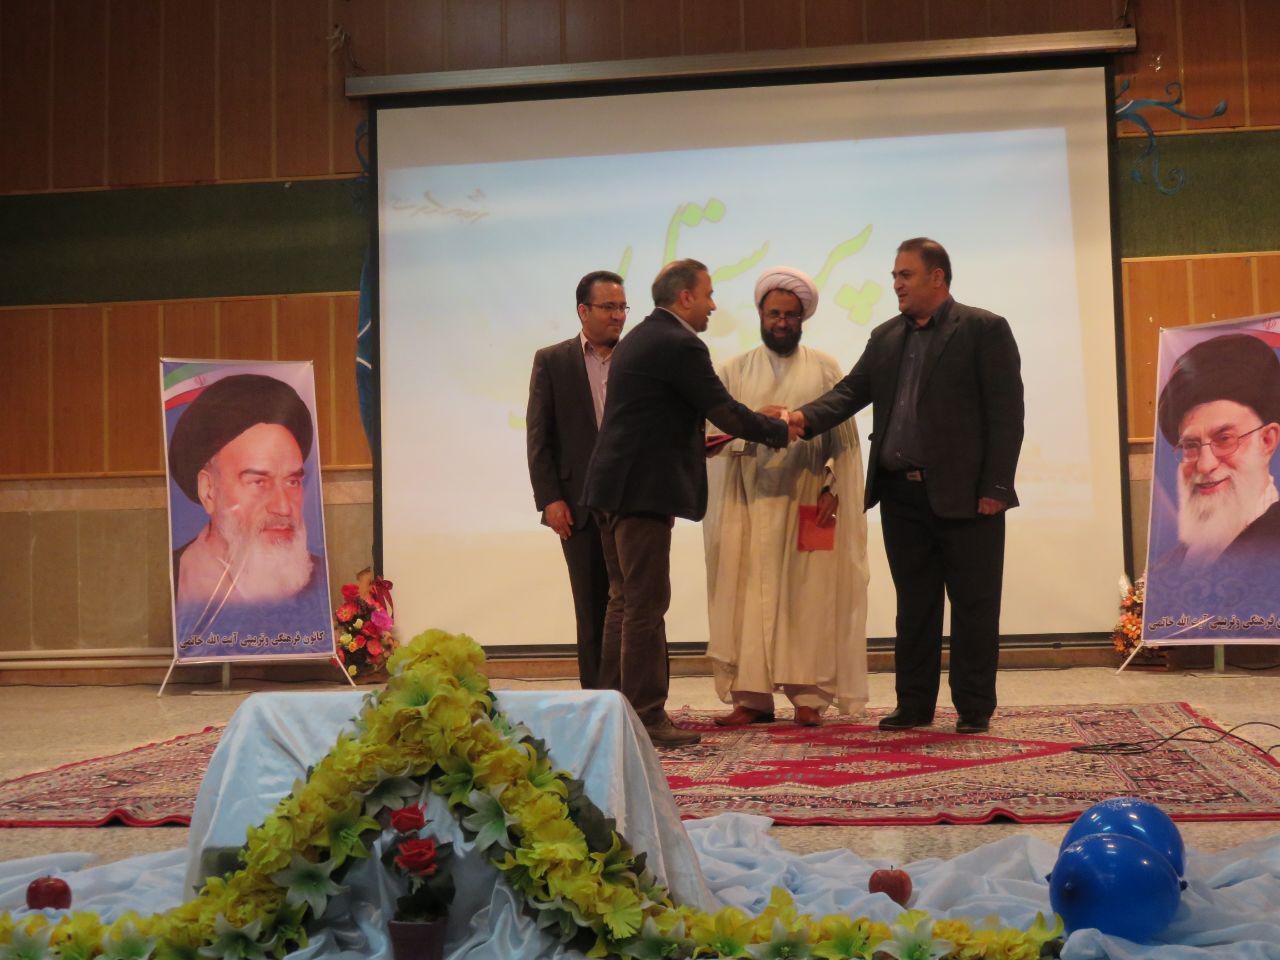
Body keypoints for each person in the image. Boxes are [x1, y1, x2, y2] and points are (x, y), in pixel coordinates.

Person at [788, 238, 1023, 735]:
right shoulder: (886, 336)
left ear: (937, 277)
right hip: (901, 495)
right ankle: (914, 704)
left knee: (974, 606)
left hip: (968, 496)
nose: (896, 284)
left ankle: (974, 708)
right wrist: (800, 418)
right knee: (914, 606)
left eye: (905, 275)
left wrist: (997, 487)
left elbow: (1007, 414)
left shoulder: (982, 329)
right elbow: (850, 392)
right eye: (894, 275)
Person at [582, 259, 791, 747]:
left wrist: (725, 432)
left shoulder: (641, 336)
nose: (714, 305)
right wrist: (780, 429)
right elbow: (724, 410)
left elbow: (663, 419)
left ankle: (616, 710)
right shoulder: (680, 343)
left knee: (623, 602)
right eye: (709, 294)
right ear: (685, 298)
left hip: (613, 486)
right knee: (645, 604)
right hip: (640, 491)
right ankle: (646, 716)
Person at [703, 266, 869, 727]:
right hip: (748, 502)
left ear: (802, 318)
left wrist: (836, 486)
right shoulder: (733, 370)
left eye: (790, 315)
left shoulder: (825, 367)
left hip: (808, 499)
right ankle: (752, 698)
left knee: (808, 596)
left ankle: (808, 697)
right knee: (746, 595)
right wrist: (754, 423)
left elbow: (844, 440)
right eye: (774, 313)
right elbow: (710, 438)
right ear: (760, 314)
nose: (781, 322)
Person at [526, 270, 628, 689]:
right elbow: (539, 436)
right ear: (583, 311)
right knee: (591, 608)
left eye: (622, 307)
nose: (618, 316)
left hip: (632, 502)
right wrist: (550, 499)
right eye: (609, 307)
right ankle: (598, 700)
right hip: (578, 506)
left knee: (640, 608)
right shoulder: (553, 361)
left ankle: (644, 704)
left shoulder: (637, 357)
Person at [169, 374, 328, 632]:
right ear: (209, 491)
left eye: (292, 482)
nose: (283, 507)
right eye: (258, 482)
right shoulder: (174, 576)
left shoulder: (320, 581)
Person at [1154, 333, 1280, 572]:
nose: (1204, 465)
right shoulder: (1166, 569)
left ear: (1266, 441)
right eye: (1191, 445)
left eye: (1224, 439)